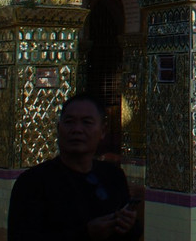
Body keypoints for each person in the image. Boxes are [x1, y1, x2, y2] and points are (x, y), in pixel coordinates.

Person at [8, 93, 140, 241]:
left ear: (102, 131)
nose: (77, 129)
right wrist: (86, 234)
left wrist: (129, 224)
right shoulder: (33, 182)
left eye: (87, 122)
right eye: (69, 122)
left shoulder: (113, 176)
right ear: (59, 128)